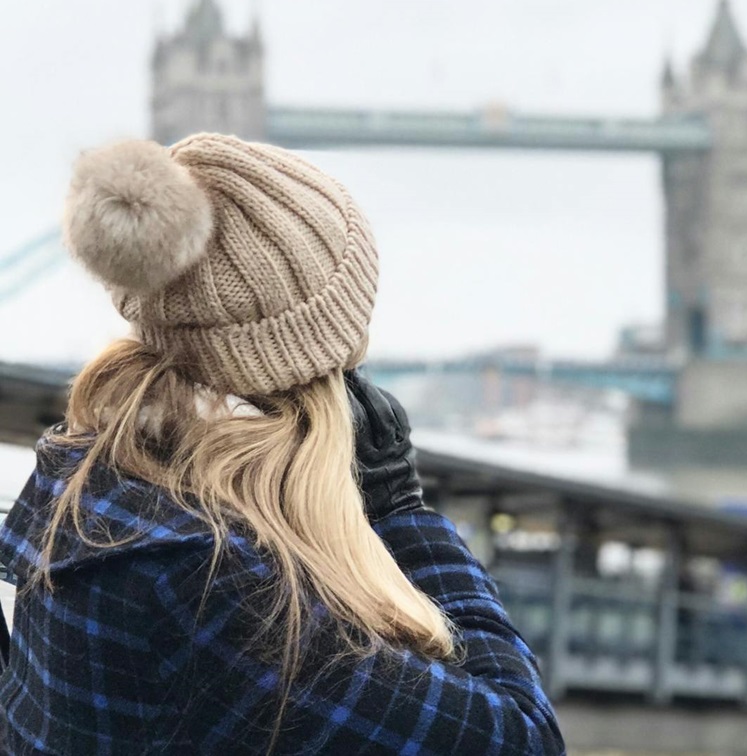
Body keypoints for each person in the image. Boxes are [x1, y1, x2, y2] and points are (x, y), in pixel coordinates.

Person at [0, 135, 564, 754]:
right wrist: (403, 514)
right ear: (328, 362)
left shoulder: (76, 472)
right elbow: (519, 738)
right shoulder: (224, 584)